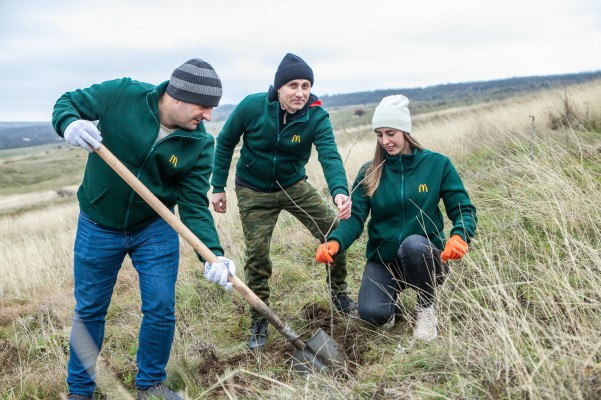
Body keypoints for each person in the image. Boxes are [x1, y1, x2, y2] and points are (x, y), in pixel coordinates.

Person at [52, 59, 236, 400]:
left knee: (161, 305)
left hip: (155, 226)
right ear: (178, 96)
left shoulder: (199, 143)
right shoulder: (121, 94)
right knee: (90, 308)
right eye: (204, 107)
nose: (208, 116)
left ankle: (150, 386)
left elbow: (194, 204)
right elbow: (67, 102)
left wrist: (214, 255)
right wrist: (69, 123)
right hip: (97, 224)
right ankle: (80, 391)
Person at [210, 53, 354, 350]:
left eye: (305, 85)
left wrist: (339, 190)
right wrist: (218, 186)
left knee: (334, 233)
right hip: (253, 190)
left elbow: (329, 154)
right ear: (278, 88)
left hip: (293, 186)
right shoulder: (252, 106)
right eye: (292, 85)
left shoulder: (316, 116)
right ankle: (259, 321)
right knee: (258, 257)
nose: (300, 92)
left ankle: (339, 295)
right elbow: (225, 142)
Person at [315, 94, 477, 341]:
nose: (385, 141)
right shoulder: (370, 172)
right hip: (385, 260)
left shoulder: (437, 165)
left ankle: (426, 308)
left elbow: (463, 209)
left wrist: (459, 236)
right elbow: (355, 218)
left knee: (413, 243)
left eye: (390, 133)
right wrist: (335, 241)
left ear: (405, 130)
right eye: (379, 134)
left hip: (425, 255)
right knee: (371, 315)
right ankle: (388, 305)